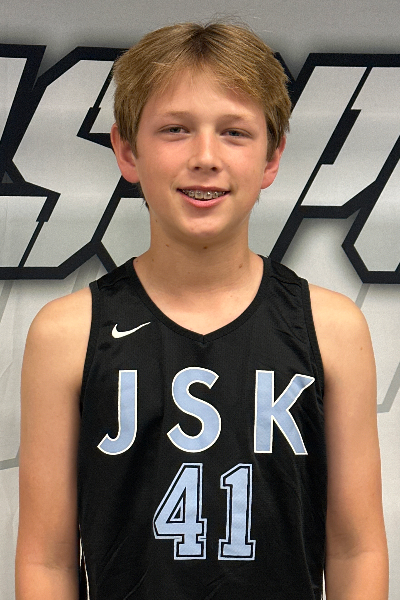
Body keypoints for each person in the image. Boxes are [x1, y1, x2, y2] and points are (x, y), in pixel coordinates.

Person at [16, 22, 388, 600]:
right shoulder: (66, 334)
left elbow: (355, 548)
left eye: (234, 132)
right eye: (175, 129)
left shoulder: (332, 328)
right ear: (127, 151)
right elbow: (46, 560)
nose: (205, 157)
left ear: (271, 158)